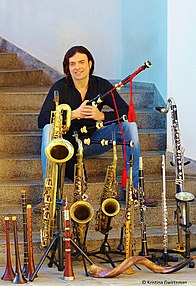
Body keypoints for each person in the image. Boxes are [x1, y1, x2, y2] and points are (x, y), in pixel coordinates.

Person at [33, 45, 157, 212]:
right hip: (68, 143)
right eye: (72, 64)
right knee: (48, 129)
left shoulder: (102, 85)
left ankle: (134, 192)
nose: (77, 67)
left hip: (95, 140)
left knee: (130, 126)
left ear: (90, 64)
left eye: (81, 62)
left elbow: (125, 112)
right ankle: (50, 197)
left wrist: (102, 116)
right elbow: (42, 120)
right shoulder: (59, 87)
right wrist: (73, 114)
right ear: (67, 67)